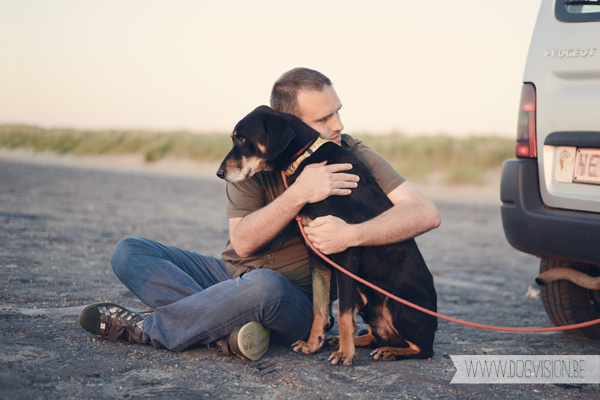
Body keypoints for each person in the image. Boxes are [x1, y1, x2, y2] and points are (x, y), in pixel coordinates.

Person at [79, 67, 441, 361]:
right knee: (129, 250)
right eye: (325, 117)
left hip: (288, 298)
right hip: (230, 275)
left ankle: (153, 329)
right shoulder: (249, 160)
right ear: (284, 126)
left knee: (263, 286)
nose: (339, 125)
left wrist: (353, 235)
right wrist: (301, 192)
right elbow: (244, 242)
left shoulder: (348, 151)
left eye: (338, 111)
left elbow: (425, 213)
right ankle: (225, 326)